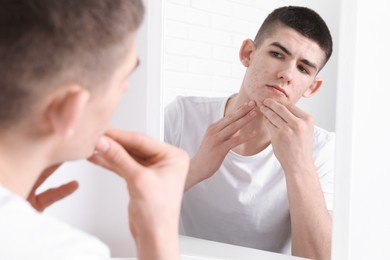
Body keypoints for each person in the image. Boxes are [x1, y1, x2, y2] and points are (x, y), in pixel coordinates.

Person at [0, 1, 189, 259]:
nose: (126, 89)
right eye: (123, 78)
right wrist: (160, 235)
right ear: (68, 109)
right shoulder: (70, 252)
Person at [164, 6, 334, 260]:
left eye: (303, 69)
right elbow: (130, 211)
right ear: (248, 54)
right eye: (277, 54)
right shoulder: (183, 115)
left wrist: (298, 165)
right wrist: (197, 168)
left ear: (312, 86)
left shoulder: (321, 147)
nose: (286, 74)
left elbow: (319, 257)